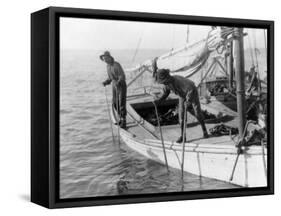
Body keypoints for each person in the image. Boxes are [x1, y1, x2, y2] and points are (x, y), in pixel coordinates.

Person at [154, 68, 209, 143]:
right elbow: (166, 93)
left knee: (197, 112)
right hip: (182, 95)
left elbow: (191, 89)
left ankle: (205, 131)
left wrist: (188, 101)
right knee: (181, 115)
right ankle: (183, 136)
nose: (163, 83)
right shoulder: (166, 84)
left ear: (167, 78)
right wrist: (159, 101)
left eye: (164, 81)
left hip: (192, 91)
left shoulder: (178, 80)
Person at [100, 51, 127, 129]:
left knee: (122, 103)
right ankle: (120, 118)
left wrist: (119, 82)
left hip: (121, 85)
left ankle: (123, 120)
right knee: (115, 103)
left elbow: (122, 75)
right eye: (103, 59)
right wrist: (106, 82)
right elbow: (110, 78)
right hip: (114, 85)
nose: (104, 60)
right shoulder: (108, 67)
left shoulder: (116, 65)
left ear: (109, 57)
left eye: (105, 58)